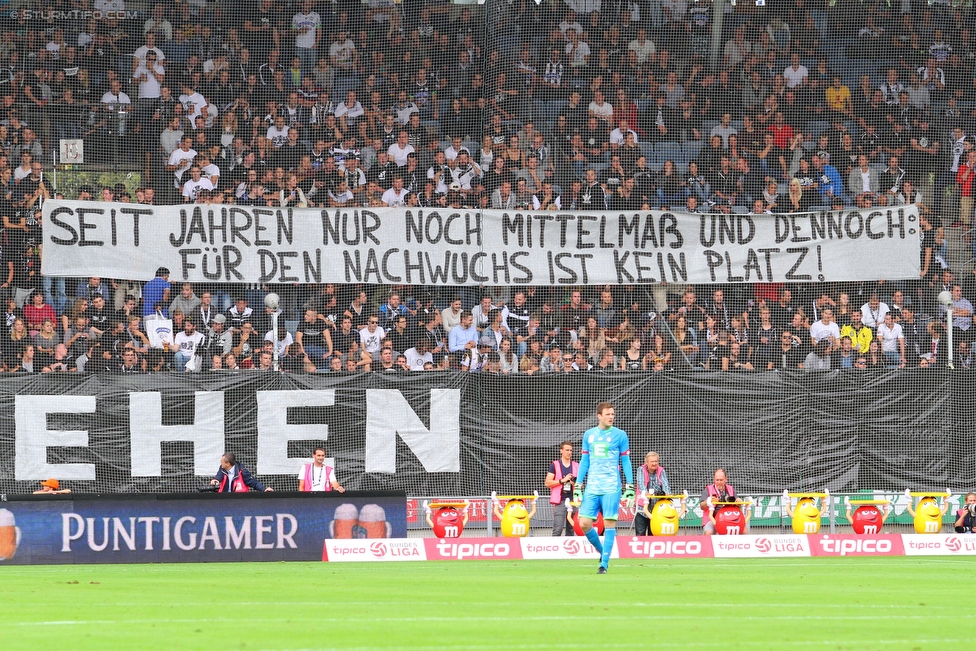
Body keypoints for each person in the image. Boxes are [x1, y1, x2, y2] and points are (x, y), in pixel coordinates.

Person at [573, 402, 634, 574]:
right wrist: (578, 484)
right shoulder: (588, 435)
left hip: (611, 487)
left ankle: (604, 565)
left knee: (609, 523)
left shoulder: (620, 435)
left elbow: (626, 461)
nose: (611, 417)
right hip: (592, 487)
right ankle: (603, 552)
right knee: (584, 523)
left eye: (613, 414)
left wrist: (630, 486)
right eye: (607, 414)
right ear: (599, 416)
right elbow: (585, 461)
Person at [544, 441, 578, 536]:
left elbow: (581, 484)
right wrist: (562, 481)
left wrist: (574, 483)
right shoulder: (555, 465)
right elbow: (547, 483)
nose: (569, 452)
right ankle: (555, 549)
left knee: (571, 529)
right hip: (560, 501)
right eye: (567, 450)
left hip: (573, 500)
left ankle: (569, 549)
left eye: (571, 450)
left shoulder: (576, 465)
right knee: (558, 529)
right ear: (561, 451)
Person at [633, 452, 671, 536]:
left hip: (657, 509)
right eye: (652, 461)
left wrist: (667, 493)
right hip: (642, 508)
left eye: (656, 461)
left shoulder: (661, 470)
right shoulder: (641, 469)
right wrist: (645, 493)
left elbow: (665, 483)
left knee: (654, 534)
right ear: (646, 462)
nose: (654, 463)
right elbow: (641, 483)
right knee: (640, 534)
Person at [701, 468, 745, 535]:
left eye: (721, 480)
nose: (719, 482)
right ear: (714, 479)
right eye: (717, 480)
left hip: (730, 518)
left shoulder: (731, 489)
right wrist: (708, 501)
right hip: (712, 518)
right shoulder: (708, 489)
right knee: (708, 533)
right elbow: (702, 506)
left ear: (726, 479)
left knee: (744, 531)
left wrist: (739, 502)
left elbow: (738, 506)